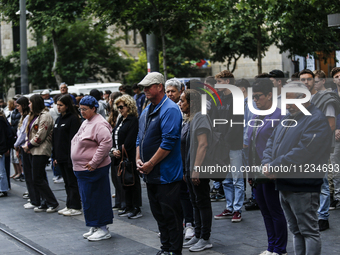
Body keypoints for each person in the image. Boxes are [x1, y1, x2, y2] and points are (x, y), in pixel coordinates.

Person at [262, 82, 332, 255]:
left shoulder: (316, 119)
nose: (286, 104)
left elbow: (303, 152)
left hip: (302, 184)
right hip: (285, 182)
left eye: (290, 100)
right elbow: (272, 141)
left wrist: (273, 166)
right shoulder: (290, 116)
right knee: (296, 230)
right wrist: (267, 163)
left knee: (308, 231)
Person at [136, 72, 183, 255]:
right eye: (144, 87)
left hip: (167, 174)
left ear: (160, 87)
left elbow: (168, 142)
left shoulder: (170, 109)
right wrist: (138, 159)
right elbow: (140, 138)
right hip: (151, 174)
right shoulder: (148, 109)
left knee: (171, 214)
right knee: (159, 215)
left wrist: (150, 163)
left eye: (149, 86)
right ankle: (165, 248)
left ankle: (174, 250)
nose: (145, 90)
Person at [247, 79, 287, 255]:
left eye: (258, 96)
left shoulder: (279, 115)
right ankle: (271, 247)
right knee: (264, 210)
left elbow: (282, 145)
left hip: (270, 169)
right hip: (256, 170)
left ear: (269, 95)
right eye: (253, 97)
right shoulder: (257, 115)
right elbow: (251, 144)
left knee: (274, 210)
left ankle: (280, 249)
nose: (256, 100)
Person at [71, 95, 113, 241]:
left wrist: (94, 162)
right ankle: (94, 225)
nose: (82, 112)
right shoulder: (87, 122)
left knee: (97, 197)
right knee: (88, 198)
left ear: (94, 109)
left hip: (93, 169)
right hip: (83, 169)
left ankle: (103, 227)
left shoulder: (99, 124)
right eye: (80, 109)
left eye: (85, 109)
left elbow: (106, 143)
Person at [180, 89, 213, 252]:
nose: (180, 104)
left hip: (198, 168)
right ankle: (198, 235)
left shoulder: (200, 117)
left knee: (202, 202)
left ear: (192, 103)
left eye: (182, 101)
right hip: (189, 168)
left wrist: (196, 169)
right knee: (195, 202)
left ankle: (205, 238)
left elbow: (203, 145)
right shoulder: (188, 119)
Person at [213, 70, 244, 223]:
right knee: (226, 179)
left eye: (219, 81)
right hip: (222, 145)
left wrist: (226, 140)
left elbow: (237, 123)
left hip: (234, 145)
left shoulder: (236, 98)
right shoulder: (218, 99)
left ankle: (237, 209)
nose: (216, 84)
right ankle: (229, 207)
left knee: (237, 179)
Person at [22, 94, 59, 213]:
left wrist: (28, 145)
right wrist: (28, 144)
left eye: (30, 103)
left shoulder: (45, 116)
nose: (29, 105)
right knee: (40, 176)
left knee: (37, 178)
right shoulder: (34, 116)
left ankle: (52, 201)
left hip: (41, 150)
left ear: (35, 103)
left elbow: (40, 135)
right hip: (34, 150)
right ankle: (45, 201)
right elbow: (30, 133)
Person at [111, 95, 141, 218]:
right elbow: (115, 136)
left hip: (129, 155)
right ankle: (128, 206)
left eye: (122, 107)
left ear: (129, 107)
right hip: (120, 156)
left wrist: (119, 150)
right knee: (124, 181)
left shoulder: (133, 120)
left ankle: (136, 207)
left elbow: (130, 140)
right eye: (118, 107)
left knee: (132, 180)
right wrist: (114, 149)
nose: (120, 109)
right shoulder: (121, 119)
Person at [53, 95, 82, 216]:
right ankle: (69, 204)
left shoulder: (73, 119)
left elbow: (73, 140)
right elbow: (55, 139)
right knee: (66, 182)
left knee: (72, 182)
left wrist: (72, 157)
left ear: (67, 105)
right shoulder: (59, 119)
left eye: (61, 105)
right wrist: (55, 156)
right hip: (60, 156)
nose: (58, 107)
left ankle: (75, 206)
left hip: (69, 156)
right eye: (57, 105)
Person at [14, 97, 35, 208]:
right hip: (23, 147)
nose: (16, 108)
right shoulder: (24, 117)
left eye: (18, 105)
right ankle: (33, 197)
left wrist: (16, 145)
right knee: (27, 173)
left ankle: (34, 198)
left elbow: (23, 134)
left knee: (29, 173)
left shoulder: (27, 117)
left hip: (26, 147)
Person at [0, 109, 10, 197]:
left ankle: (3, 189)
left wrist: (2, 149)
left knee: (1, 171)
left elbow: (3, 136)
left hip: (1, 149)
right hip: (2, 148)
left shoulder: (1, 121)